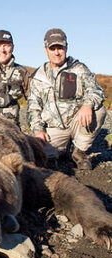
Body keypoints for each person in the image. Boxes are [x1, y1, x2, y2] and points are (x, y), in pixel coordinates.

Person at [27, 28, 106, 170]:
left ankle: (79, 151)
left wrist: (87, 105)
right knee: (41, 158)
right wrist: (38, 130)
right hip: (54, 128)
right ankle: (61, 150)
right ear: (46, 50)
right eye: (53, 48)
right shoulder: (39, 76)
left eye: (60, 47)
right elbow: (33, 106)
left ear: (66, 47)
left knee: (99, 111)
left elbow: (97, 91)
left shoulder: (79, 69)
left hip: (77, 123)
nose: (57, 52)